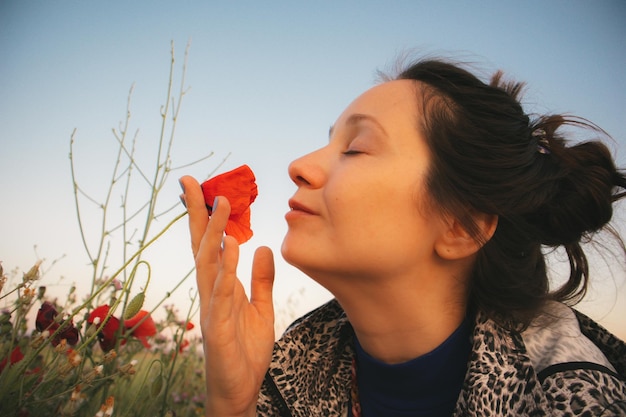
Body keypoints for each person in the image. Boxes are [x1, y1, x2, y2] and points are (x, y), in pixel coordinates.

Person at [179, 58, 626, 416]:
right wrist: (233, 407)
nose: (299, 164)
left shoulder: (570, 396)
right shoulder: (292, 367)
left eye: (355, 148)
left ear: (461, 227)